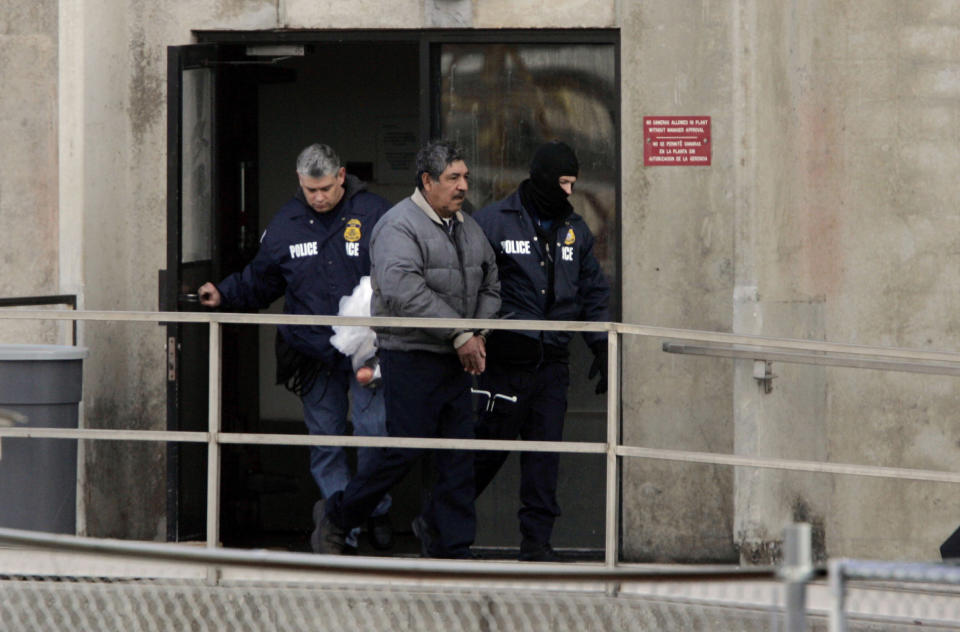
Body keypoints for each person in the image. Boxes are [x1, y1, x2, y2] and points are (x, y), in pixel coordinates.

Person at [197, 143, 394, 553]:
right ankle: (346, 530)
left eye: (325, 188)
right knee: (326, 443)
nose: (318, 197)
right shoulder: (286, 222)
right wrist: (223, 293)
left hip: (368, 350)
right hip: (313, 352)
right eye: (310, 190)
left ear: (341, 176)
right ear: (300, 184)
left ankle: (375, 512)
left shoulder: (375, 213)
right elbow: (262, 279)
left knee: (376, 435)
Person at [316, 140, 500, 558]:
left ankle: (452, 548)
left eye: (465, 177)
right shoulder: (398, 225)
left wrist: (478, 335)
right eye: (453, 178)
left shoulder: (468, 226)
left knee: (458, 457)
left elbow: (492, 284)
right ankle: (340, 516)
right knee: (402, 451)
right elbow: (403, 291)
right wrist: (460, 335)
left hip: (458, 359)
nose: (463, 186)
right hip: (412, 356)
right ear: (427, 181)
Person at [471, 140, 611, 562]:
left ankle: (536, 544)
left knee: (544, 458)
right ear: (545, 178)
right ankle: (440, 525)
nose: (569, 191)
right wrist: (473, 335)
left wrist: (601, 345)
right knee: (483, 451)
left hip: (551, 364)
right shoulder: (494, 222)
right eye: (563, 181)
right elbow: (468, 283)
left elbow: (593, 292)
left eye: (574, 182)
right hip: (501, 363)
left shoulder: (575, 230)